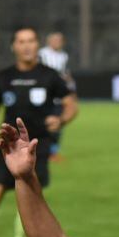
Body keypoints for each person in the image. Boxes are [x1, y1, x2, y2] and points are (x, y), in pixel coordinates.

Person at [0, 26, 78, 237]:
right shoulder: (3, 77)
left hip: (36, 149)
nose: (27, 45)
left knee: (27, 199)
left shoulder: (51, 76)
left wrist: (60, 120)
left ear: (37, 45)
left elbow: (72, 106)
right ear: (14, 46)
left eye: (31, 40)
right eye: (21, 41)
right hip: (7, 147)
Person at [37, 31, 74, 160]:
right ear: (49, 41)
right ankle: (38, 149)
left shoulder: (64, 56)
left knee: (58, 121)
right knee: (39, 122)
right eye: (55, 40)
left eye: (59, 40)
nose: (57, 42)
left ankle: (53, 151)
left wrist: (72, 90)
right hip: (44, 95)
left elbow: (66, 75)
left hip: (59, 96)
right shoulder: (41, 54)